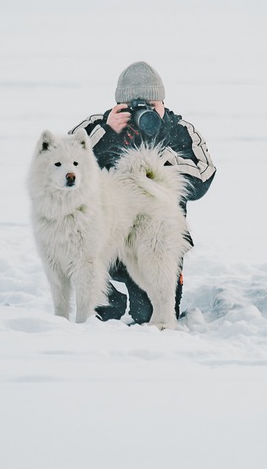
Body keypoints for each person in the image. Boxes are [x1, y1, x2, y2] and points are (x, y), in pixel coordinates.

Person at [71, 61, 215, 323]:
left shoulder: (179, 130)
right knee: (97, 301)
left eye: (152, 104)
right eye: (135, 105)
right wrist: (106, 132)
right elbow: (64, 166)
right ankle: (110, 301)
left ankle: (158, 295)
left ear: (163, 101)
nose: (144, 111)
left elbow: (204, 176)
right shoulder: (98, 126)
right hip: (110, 233)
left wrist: (163, 162)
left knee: (148, 315)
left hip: (155, 238)